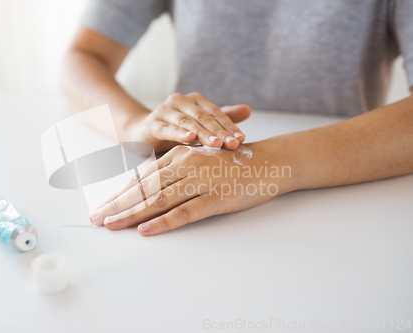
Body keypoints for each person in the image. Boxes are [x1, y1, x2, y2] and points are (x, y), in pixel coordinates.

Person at [60, 0, 413, 236]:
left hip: (349, 203)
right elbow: (83, 56)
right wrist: (134, 125)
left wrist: (268, 164)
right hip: (190, 170)